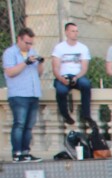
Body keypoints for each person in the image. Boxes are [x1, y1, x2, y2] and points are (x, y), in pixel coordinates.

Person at [3, 27, 44, 162]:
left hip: (33, 93)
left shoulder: (32, 52)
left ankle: (26, 152)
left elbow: (38, 73)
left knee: (29, 125)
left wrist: (40, 63)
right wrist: (26, 62)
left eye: (31, 43)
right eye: (26, 43)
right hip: (19, 94)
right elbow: (10, 72)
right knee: (19, 124)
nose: (29, 46)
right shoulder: (10, 53)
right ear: (19, 39)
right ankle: (17, 153)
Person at [51, 22, 92, 126]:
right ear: (66, 33)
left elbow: (84, 68)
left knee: (86, 85)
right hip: (63, 76)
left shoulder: (83, 48)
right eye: (72, 31)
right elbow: (55, 67)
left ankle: (86, 114)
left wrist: (76, 77)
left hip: (77, 75)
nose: (75, 33)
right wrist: (61, 79)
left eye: (76, 31)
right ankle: (66, 115)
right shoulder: (59, 48)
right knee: (61, 91)